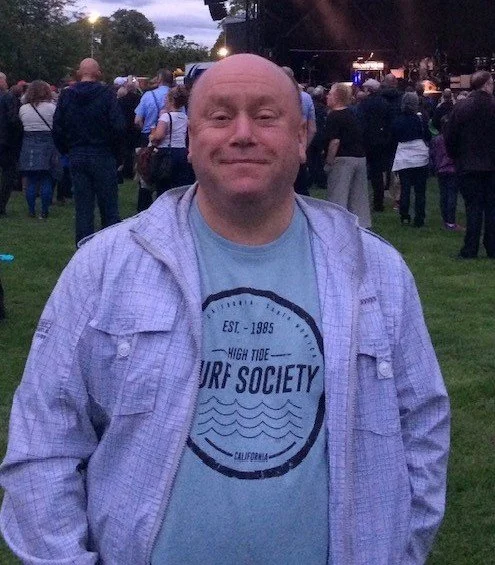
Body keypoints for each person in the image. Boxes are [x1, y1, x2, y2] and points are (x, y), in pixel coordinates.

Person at [0, 54, 450, 565]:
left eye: (266, 116)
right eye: (219, 117)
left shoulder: (376, 270)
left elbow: (422, 426)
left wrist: (398, 551)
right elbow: (44, 437)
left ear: (301, 138)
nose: (242, 134)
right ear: (190, 139)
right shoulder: (103, 267)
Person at [53, 58, 125, 245]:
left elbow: (58, 127)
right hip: (102, 153)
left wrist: (67, 150)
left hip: (77, 153)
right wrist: (117, 153)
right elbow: (118, 126)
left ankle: (83, 248)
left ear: (79, 73)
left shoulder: (66, 95)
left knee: (83, 208)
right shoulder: (107, 94)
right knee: (109, 206)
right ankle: (110, 248)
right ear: (98, 73)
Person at [445, 71, 495, 259]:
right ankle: (492, 246)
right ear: (487, 84)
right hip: (491, 166)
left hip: (468, 165)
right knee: (491, 208)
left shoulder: (462, 107)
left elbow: (450, 136)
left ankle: (470, 248)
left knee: (473, 208)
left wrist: (455, 156)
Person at [324, 82, 371, 228]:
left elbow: (335, 142)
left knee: (338, 195)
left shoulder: (334, 116)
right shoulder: (353, 114)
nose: (327, 96)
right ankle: (361, 225)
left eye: (330, 94)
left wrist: (329, 161)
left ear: (337, 97)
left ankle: (337, 224)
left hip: (342, 159)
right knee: (358, 197)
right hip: (359, 157)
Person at [134, 69, 175, 211]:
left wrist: (146, 129)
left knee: (145, 174)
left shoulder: (148, 96)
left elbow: (137, 120)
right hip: (170, 140)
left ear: (159, 79)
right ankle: (164, 208)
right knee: (165, 176)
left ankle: (144, 208)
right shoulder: (175, 96)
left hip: (148, 138)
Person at [18, 80, 57, 219]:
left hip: (29, 142)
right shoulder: (52, 107)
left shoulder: (23, 108)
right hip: (47, 142)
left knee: (31, 179)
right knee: (47, 178)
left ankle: (31, 210)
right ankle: (44, 211)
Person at [391, 92, 431, 227]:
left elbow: (394, 138)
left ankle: (404, 215)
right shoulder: (420, 120)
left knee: (405, 188)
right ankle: (419, 218)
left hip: (404, 157)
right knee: (420, 190)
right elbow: (427, 135)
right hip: (420, 156)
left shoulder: (397, 120)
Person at [149, 85, 195, 194]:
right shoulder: (184, 117)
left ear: (171, 101)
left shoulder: (166, 117)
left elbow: (159, 136)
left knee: (164, 184)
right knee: (179, 183)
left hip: (167, 152)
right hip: (182, 151)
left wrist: (152, 135)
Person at [358, 78, 392, 212]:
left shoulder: (364, 104)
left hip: (367, 141)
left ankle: (367, 200)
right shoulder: (385, 103)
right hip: (382, 141)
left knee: (368, 171)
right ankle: (379, 200)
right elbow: (389, 122)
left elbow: (361, 122)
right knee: (378, 172)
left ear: (369, 90)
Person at [281, 67, 316, 195]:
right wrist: (303, 147)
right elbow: (312, 129)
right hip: (299, 148)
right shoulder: (306, 97)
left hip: (280, 149)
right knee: (301, 190)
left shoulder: (275, 96)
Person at [430, 116, 462, 231]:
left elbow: (432, 154)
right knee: (452, 195)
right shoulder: (455, 139)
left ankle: (445, 219)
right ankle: (451, 222)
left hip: (440, 169)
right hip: (453, 169)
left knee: (443, 195)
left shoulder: (436, 140)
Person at [0, 72, 22, 216]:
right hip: (6, 142)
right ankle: (1, 205)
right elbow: (13, 119)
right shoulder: (8, 98)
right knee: (8, 173)